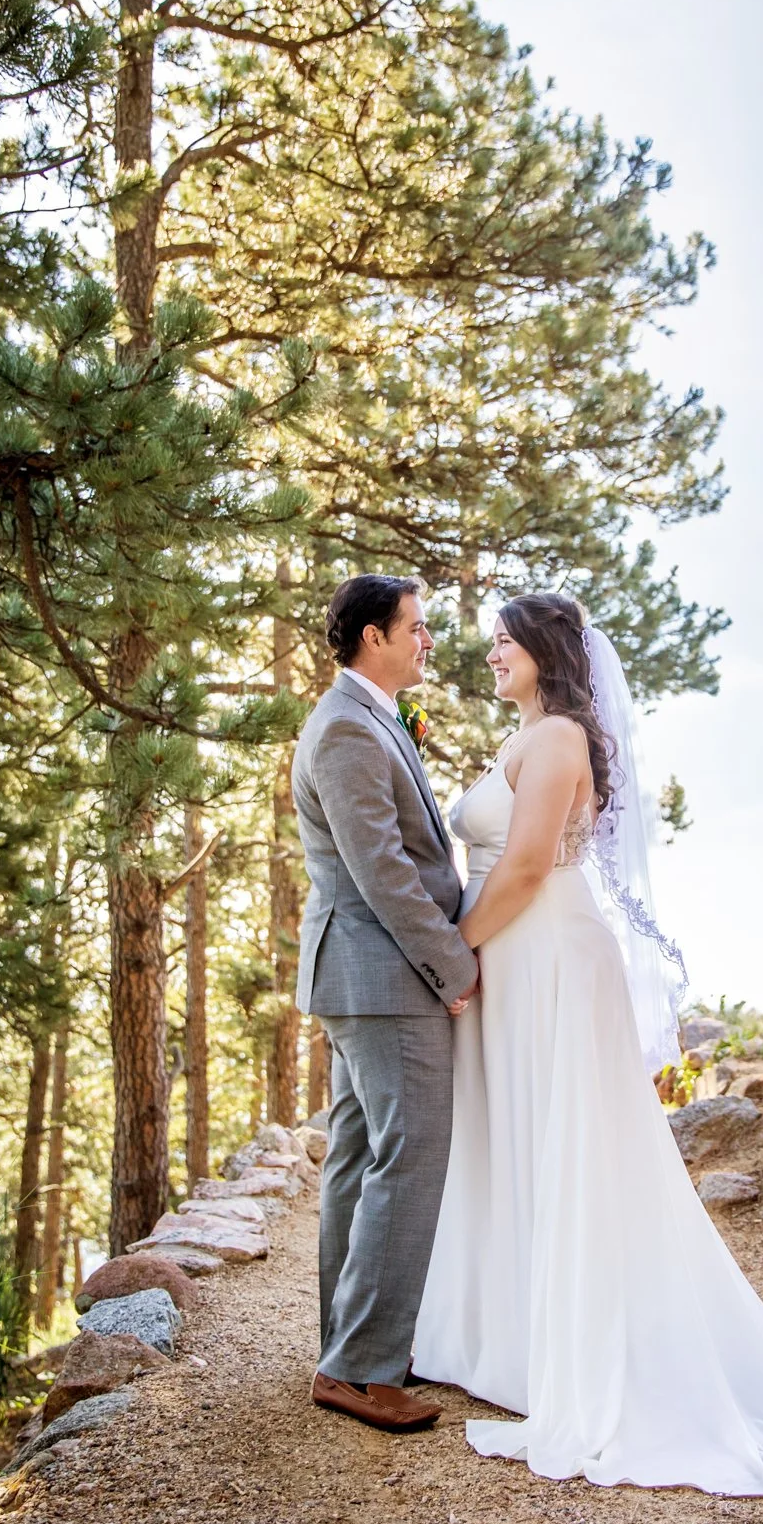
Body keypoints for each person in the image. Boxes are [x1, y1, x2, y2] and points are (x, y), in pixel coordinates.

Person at [411, 591, 763, 1494]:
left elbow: (520, 868)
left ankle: (588, 1348)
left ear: (546, 651)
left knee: (571, 1144)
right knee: (520, 1136)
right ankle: (515, 1338)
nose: (492, 655)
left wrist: (452, 957)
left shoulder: (556, 737)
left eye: (505, 643)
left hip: (546, 951)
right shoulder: (527, 736)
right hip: (516, 955)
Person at [292, 574, 478, 1434]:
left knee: (361, 1156)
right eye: (417, 626)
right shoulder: (343, 730)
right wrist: (456, 966)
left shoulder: (368, 717)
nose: (427, 638)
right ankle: (362, 1369)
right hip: (383, 974)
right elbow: (384, 876)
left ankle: (349, 1350)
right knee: (410, 1155)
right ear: (374, 636)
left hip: (367, 975)